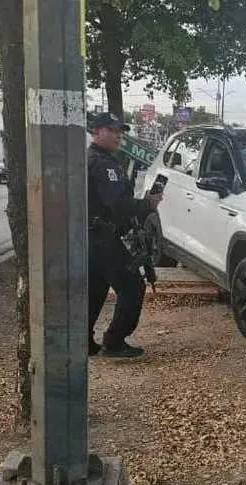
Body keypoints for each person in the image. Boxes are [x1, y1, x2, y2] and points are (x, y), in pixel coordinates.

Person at [87, 112, 163, 358]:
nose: (118, 135)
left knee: (96, 289)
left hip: (93, 236)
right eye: (111, 130)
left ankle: (83, 341)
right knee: (132, 286)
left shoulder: (96, 159)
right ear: (96, 132)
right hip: (103, 238)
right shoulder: (102, 163)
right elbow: (118, 205)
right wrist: (147, 205)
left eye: (120, 130)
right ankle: (115, 340)